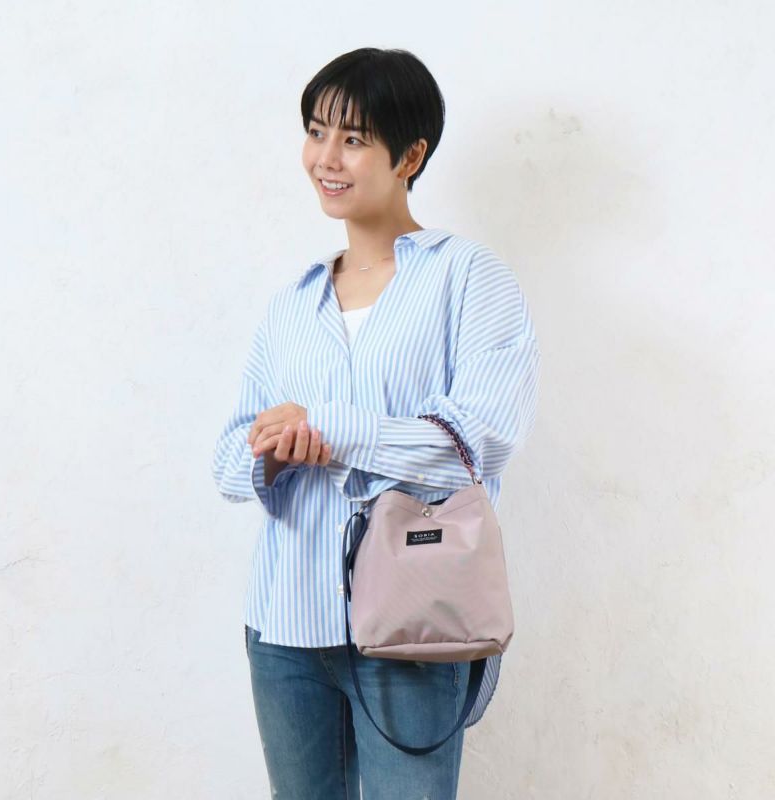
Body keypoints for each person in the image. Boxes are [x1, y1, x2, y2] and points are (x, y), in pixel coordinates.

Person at [212, 47, 541, 800]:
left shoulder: (467, 276)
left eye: (354, 138)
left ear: (410, 156)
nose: (326, 158)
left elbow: (477, 442)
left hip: (416, 623)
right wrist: (273, 452)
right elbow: (229, 460)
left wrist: (329, 428)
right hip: (285, 626)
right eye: (316, 132)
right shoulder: (292, 303)